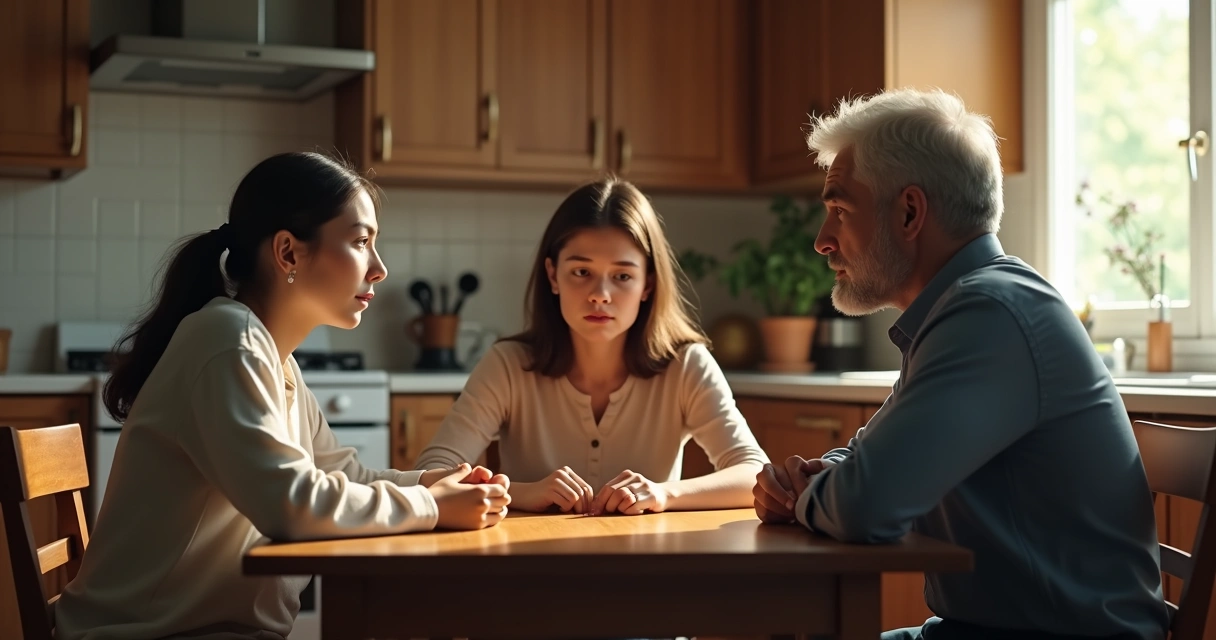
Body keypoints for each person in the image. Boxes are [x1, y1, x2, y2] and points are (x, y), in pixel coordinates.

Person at [753, 90, 1170, 640]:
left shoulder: (990, 313)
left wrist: (803, 495)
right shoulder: (964, 308)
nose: (822, 241)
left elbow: (865, 505)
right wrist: (814, 480)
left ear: (909, 212)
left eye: (840, 210)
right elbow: (865, 460)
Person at [54, 152, 509, 640]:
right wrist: (431, 505)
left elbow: (345, 476)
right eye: (361, 242)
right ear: (288, 253)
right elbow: (290, 505)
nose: (379, 269)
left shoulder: (270, 356)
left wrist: (432, 482)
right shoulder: (228, 342)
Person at [415, 177, 768, 515]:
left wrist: (664, 493)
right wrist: (522, 493)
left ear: (647, 285)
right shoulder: (508, 365)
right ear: (553, 275)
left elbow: (754, 474)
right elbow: (429, 474)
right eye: (582, 272)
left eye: (623, 276)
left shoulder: (687, 365)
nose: (600, 295)